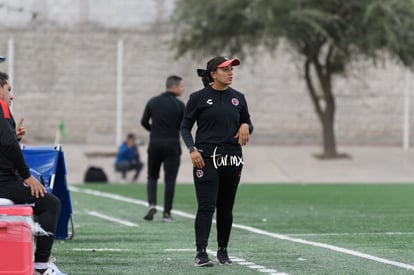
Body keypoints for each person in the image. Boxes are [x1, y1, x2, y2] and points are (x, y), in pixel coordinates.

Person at [181, 57, 253, 267]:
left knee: (226, 207)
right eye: (225, 70)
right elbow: (185, 128)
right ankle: (201, 253)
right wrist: (192, 149)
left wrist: (246, 126)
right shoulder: (198, 98)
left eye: (231, 70)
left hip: (232, 158)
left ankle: (223, 250)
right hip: (206, 159)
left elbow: (246, 122)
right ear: (213, 74)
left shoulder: (238, 98)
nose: (230, 73)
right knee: (206, 206)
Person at [0, 72, 67, 275]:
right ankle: (41, 266)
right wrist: (26, 175)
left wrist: (13, 136)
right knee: (50, 203)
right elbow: (7, 144)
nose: (11, 96)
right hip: (3, 181)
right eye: (8, 90)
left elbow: (6, 143)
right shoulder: (1, 106)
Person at [140, 75, 185, 222]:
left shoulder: (153, 102)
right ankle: (166, 213)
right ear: (174, 87)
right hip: (172, 144)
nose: (182, 89)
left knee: (152, 176)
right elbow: (185, 125)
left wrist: (154, 130)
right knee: (170, 180)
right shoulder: (179, 105)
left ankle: (151, 204)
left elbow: (144, 122)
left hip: (155, 144)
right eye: (181, 86)